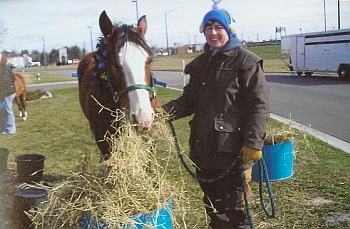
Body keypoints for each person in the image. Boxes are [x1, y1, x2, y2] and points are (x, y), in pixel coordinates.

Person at [161, 2, 269, 229]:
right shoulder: (200, 65)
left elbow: (258, 106)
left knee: (235, 211)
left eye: (218, 26)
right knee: (214, 208)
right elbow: (188, 101)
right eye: (208, 27)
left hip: (232, 152)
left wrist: (253, 142)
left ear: (229, 31)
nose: (212, 32)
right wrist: (162, 113)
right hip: (203, 149)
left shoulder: (246, 63)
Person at [0, 53, 16, 135]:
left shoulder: (2, 70)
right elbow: (13, 78)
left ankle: (10, 129)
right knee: (6, 110)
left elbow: (4, 83)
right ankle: (6, 127)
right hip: (10, 92)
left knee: (8, 110)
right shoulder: (6, 68)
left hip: (7, 94)